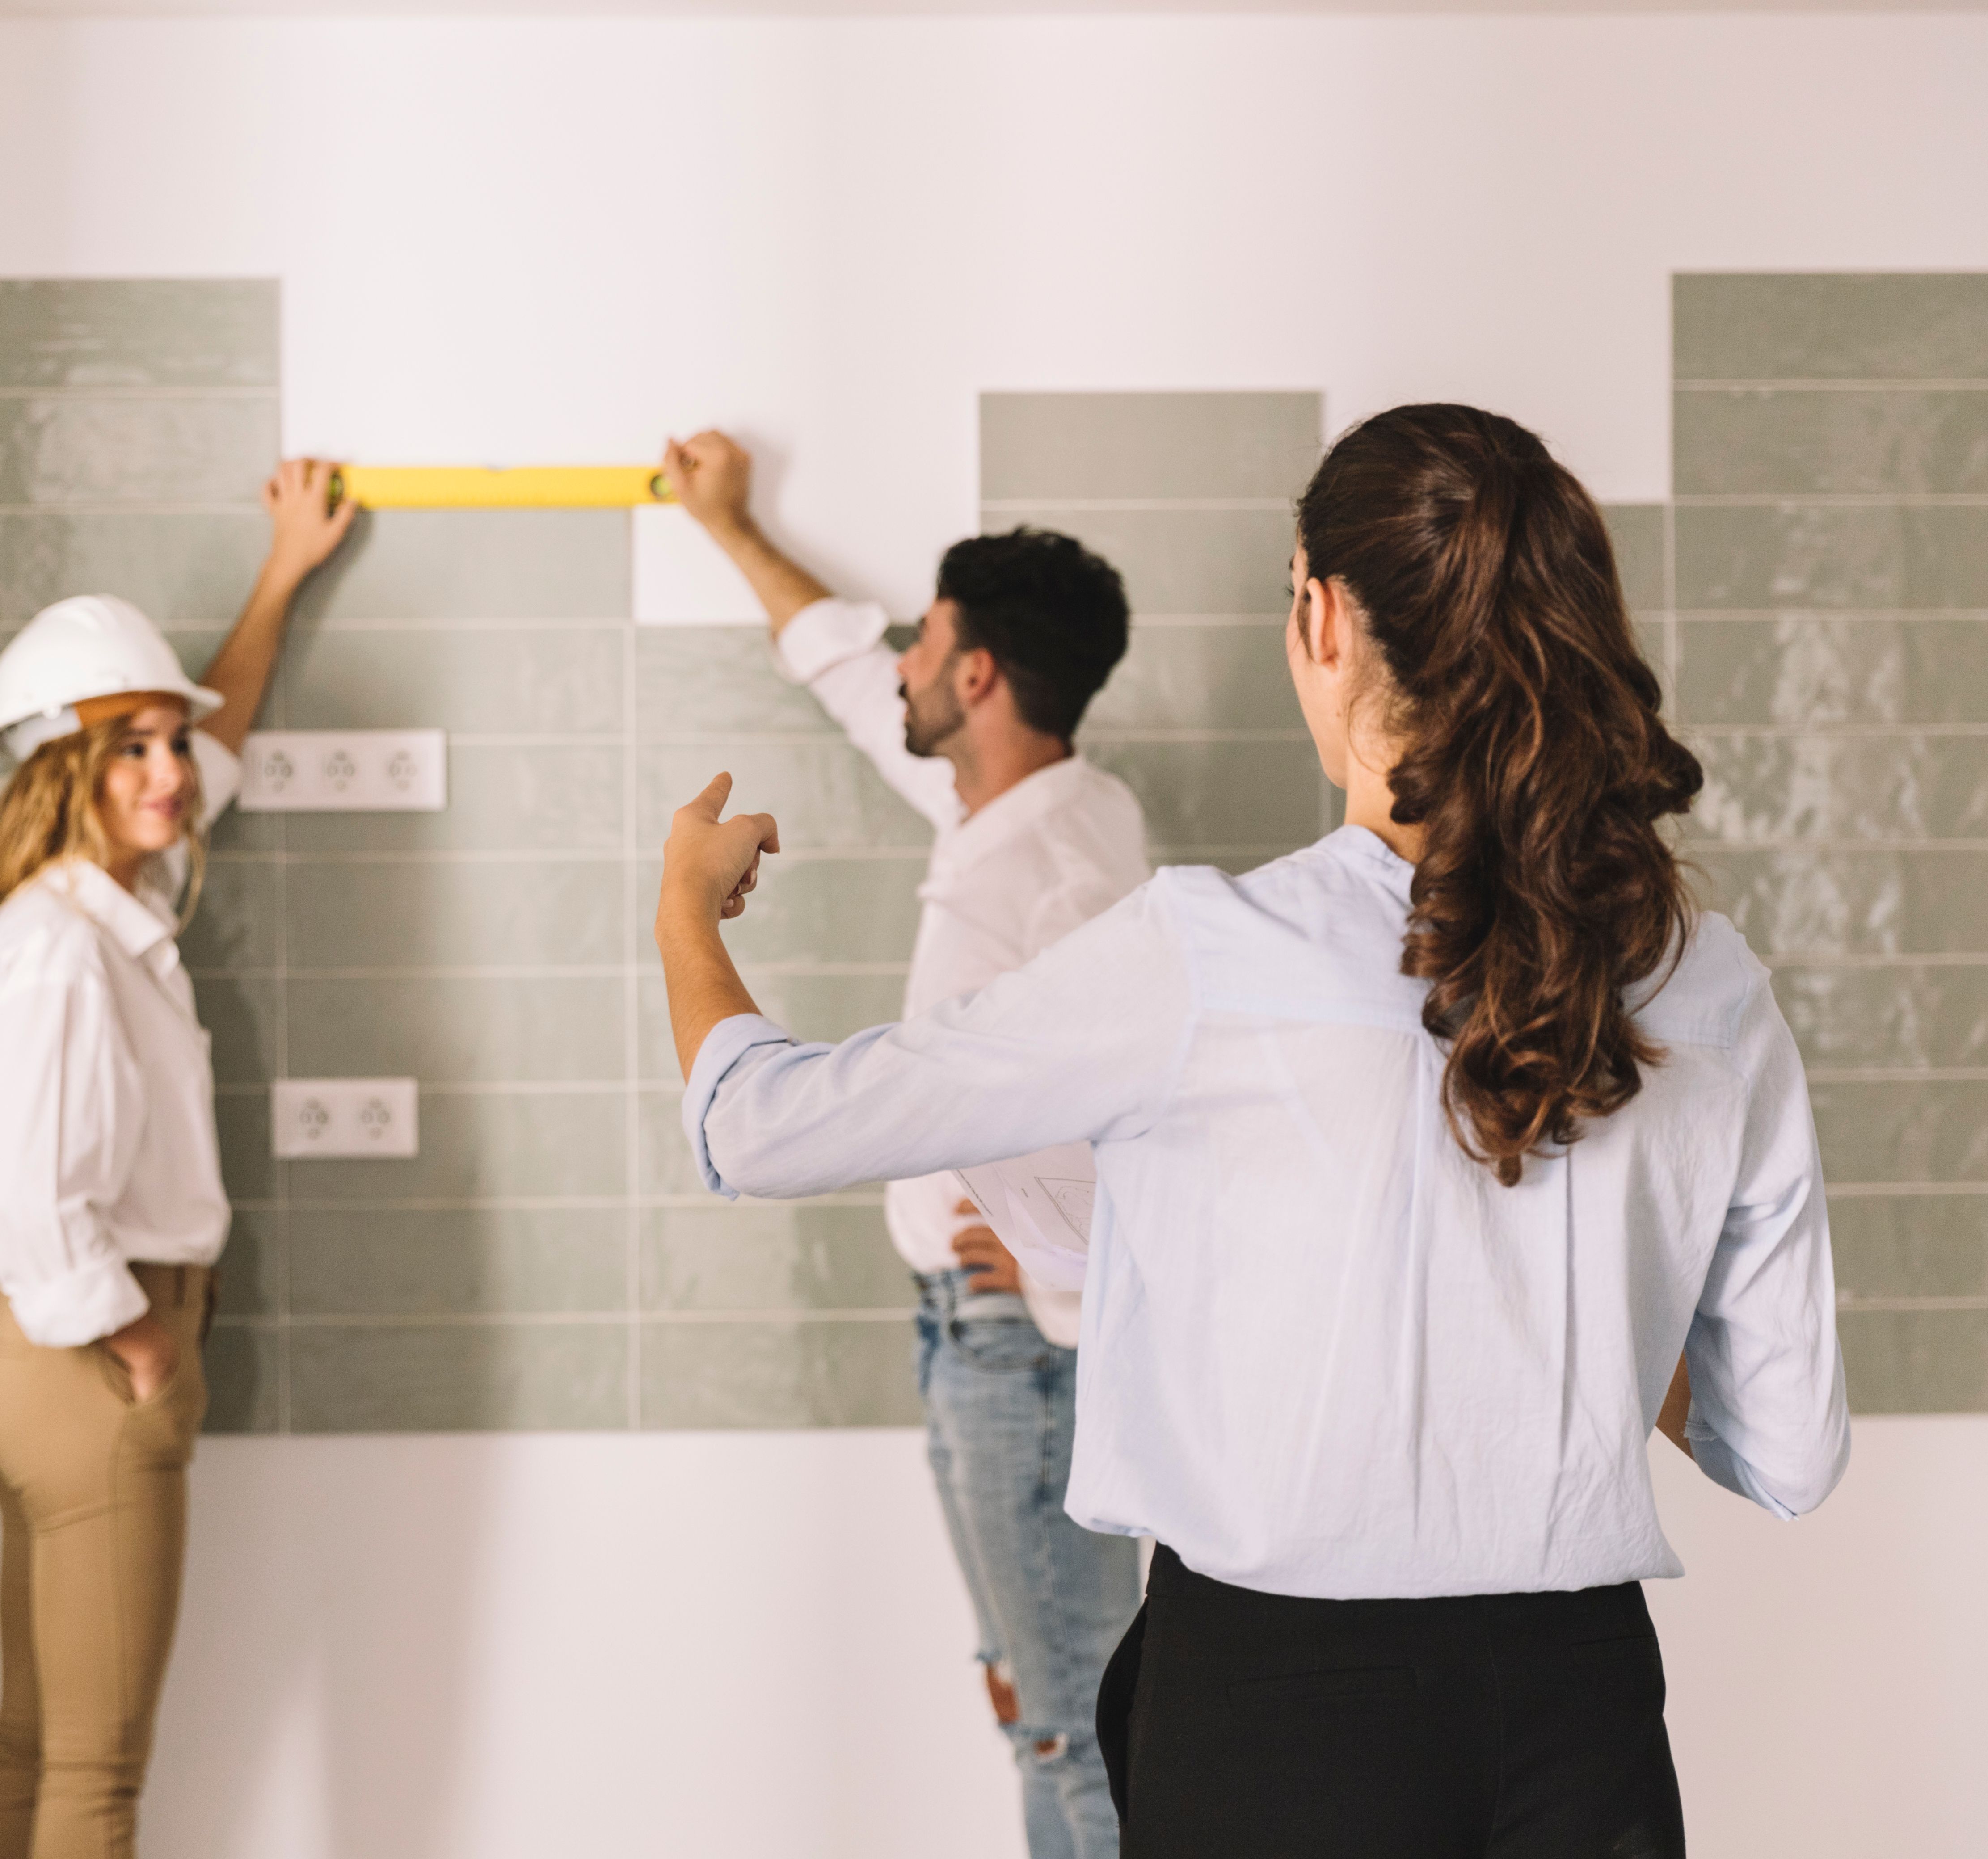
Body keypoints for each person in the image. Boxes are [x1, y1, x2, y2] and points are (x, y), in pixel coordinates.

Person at [657, 405, 1850, 1858]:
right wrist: (1578, 1299)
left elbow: (757, 1126)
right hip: (1583, 1714)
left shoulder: (1207, 958)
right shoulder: (1709, 983)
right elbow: (1787, 1449)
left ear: (1323, 617)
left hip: (1281, 1720)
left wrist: (683, 912)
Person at [664, 430, 1146, 1859]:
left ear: (977, 676)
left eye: (924, 643)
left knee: (1076, 1727)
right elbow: (838, 664)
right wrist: (728, 523)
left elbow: (1150, 1106)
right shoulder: (1021, 805)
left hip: (1022, 1356)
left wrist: (1062, 1279)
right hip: (976, 1343)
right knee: (1038, 1710)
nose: (901, 666)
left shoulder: (1059, 877)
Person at [0, 460, 354, 1859]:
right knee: (97, 1778)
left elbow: (224, 743)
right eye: (132, 748)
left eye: (170, 742)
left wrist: (282, 570)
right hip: (89, 1357)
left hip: (55, 1360)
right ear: (61, 768)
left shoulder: (98, 905)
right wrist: (142, 1344)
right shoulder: (61, 946)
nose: (171, 773)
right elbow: (32, 1198)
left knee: (41, 1748)